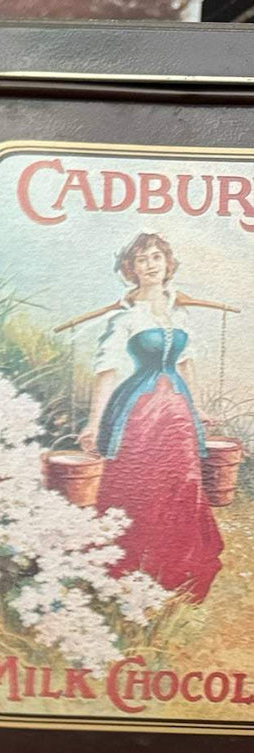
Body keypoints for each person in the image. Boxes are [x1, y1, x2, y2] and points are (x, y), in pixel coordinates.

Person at [78, 232, 222, 601]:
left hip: (178, 408)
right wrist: (94, 422)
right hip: (140, 411)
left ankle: (178, 569)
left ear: (167, 263)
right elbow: (106, 372)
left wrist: (198, 407)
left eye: (156, 257)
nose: (150, 265)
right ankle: (133, 568)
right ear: (131, 268)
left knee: (184, 480)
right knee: (141, 483)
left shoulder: (179, 311)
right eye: (141, 260)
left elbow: (186, 363)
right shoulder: (125, 317)